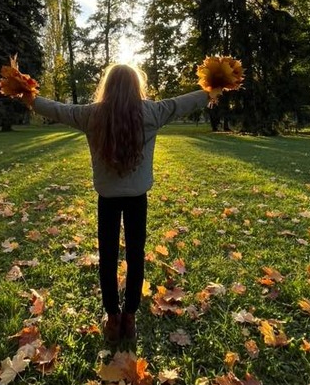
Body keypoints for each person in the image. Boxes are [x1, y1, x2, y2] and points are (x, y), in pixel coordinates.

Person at [15, 63, 230, 345]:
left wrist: (29, 97)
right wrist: (213, 90)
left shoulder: (91, 114)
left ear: (108, 85)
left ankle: (113, 317)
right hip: (137, 197)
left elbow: (57, 109)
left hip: (107, 198)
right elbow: (184, 103)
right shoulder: (151, 111)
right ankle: (129, 315)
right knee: (135, 255)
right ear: (135, 85)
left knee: (107, 256)